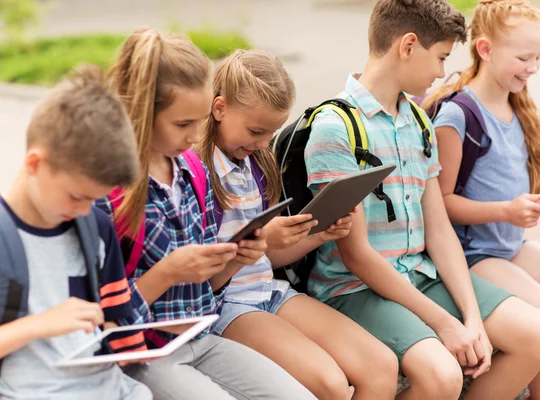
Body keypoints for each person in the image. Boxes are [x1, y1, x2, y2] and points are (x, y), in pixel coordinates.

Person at [303, 0, 540, 399]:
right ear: (407, 46)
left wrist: (472, 317)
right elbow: (356, 256)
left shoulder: (419, 120)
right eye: (440, 57)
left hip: (420, 274)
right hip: (355, 289)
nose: (443, 72)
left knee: (538, 333)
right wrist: (446, 324)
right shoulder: (336, 127)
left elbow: (439, 230)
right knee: (441, 375)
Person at [96, 29, 316, 400]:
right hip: (144, 351)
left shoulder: (191, 172)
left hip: (200, 335)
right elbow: (100, 316)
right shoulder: (109, 191)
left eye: (199, 121)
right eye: (183, 124)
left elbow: (208, 291)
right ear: (141, 112)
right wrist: (167, 273)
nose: (196, 135)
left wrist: (234, 259)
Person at [197, 49, 399, 400]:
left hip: (270, 292)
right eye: (256, 131)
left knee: (381, 365)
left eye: (271, 133)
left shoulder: (255, 165)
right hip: (227, 305)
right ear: (219, 109)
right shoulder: (197, 172)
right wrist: (257, 241)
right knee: (331, 385)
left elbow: (267, 262)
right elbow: (205, 278)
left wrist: (318, 233)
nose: (263, 144)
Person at [423, 1, 540, 398]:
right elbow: (440, 202)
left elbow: (502, 187)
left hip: (509, 246)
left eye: (538, 57)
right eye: (523, 57)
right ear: (484, 50)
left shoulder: (515, 104)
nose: (533, 67)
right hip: (474, 254)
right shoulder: (458, 116)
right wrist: (506, 210)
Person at [0, 66, 151, 399]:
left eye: (94, 199)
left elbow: (114, 318)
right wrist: (39, 324)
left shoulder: (93, 227)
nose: (85, 209)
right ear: (35, 164)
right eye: (76, 196)